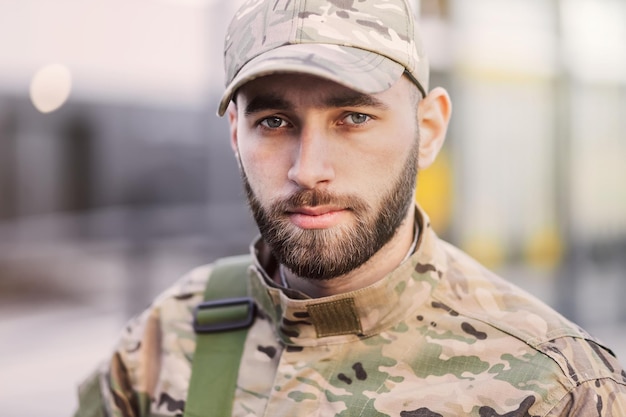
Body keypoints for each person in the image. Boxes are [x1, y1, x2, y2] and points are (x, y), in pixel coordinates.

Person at [74, 0, 626, 416]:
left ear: (428, 130)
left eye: (353, 118)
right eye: (274, 122)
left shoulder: (561, 386)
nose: (308, 169)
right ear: (235, 136)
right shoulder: (165, 341)